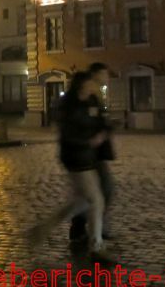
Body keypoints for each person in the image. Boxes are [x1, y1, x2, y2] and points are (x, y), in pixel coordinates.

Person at [28, 72, 110, 257]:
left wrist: (104, 127)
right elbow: (68, 135)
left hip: (86, 157)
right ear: (82, 85)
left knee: (80, 202)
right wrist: (89, 142)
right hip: (76, 158)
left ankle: (42, 230)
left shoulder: (90, 102)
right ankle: (96, 245)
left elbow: (99, 123)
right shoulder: (69, 106)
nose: (93, 87)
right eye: (90, 84)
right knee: (96, 200)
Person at [69, 62, 114, 244]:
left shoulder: (96, 96)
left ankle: (87, 228)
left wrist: (106, 127)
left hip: (95, 152)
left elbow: (97, 120)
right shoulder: (83, 99)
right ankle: (92, 233)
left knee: (96, 193)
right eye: (104, 74)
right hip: (86, 154)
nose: (107, 78)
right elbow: (76, 127)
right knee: (102, 192)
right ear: (95, 75)